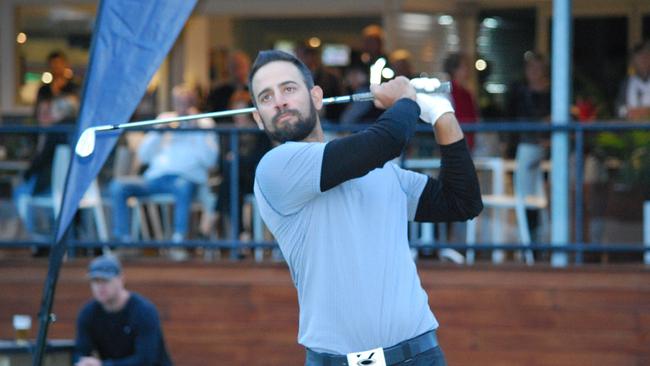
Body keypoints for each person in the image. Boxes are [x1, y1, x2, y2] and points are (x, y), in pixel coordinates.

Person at [250, 50, 482, 365]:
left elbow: (462, 201)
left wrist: (442, 114)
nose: (279, 101)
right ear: (257, 116)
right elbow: (385, 141)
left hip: (419, 355)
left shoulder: (381, 171)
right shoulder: (274, 169)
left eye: (288, 89)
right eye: (266, 97)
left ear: (316, 97)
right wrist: (406, 99)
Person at [109, 85, 219, 246]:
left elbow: (211, 161)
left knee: (183, 186)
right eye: (178, 103)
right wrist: (157, 133)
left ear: (193, 103)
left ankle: (178, 240)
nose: (181, 108)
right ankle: (123, 240)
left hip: (186, 178)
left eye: (185, 103)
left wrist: (197, 129)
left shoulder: (205, 122)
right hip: (154, 178)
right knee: (118, 186)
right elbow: (143, 156)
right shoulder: (165, 118)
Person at [13, 50, 79, 242]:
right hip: (71, 184)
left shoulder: (57, 131)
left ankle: (37, 239)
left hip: (56, 184)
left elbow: (42, 160)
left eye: (49, 110)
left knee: (20, 189)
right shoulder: (69, 130)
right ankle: (45, 236)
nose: (45, 114)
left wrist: (26, 174)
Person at [74, 254, 172, 366]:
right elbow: (80, 352)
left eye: (105, 280)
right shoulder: (88, 313)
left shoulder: (144, 311)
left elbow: (146, 360)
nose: (100, 286)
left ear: (121, 280)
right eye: (95, 281)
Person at [616, 41, 650, 120]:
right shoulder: (626, 83)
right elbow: (618, 109)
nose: (644, 61)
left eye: (647, 57)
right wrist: (628, 112)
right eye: (640, 57)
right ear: (633, 61)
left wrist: (647, 111)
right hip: (630, 128)